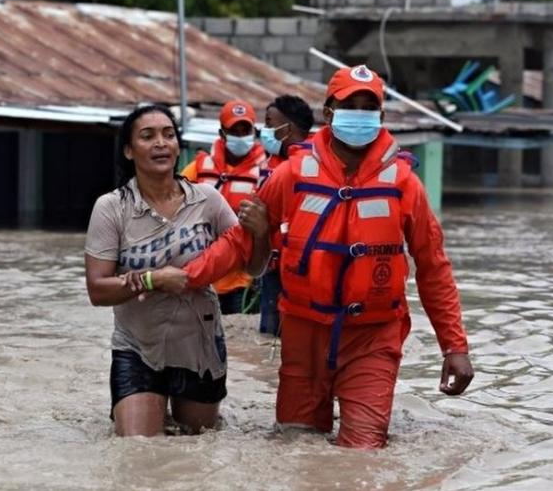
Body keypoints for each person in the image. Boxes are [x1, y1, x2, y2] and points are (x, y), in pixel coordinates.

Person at [153, 65, 474, 448]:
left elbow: (433, 267)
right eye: (349, 104)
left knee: (363, 453)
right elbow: (239, 242)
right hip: (303, 335)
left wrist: (454, 347)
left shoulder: (404, 183)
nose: (359, 112)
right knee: (295, 445)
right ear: (328, 113)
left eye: (367, 106)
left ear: (382, 117)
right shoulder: (292, 174)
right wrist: (180, 276)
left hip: (373, 336)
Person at [84, 104, 269, 437]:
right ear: (128, 150)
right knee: (138, 448)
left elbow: (254, 268)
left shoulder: (208, 200)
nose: (161, 143)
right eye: (148, 136)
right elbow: (97, 290)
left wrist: (262, 233)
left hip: (199, 347)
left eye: (168, 135)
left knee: (196, 448)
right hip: (138, 347)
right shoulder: (111, 208)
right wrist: (155, 279)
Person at [180, 100, 267, 314]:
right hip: (200, 274)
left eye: (244, 130)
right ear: (222, 132)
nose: (239, 135)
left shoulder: (266, 174)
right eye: (233, 130)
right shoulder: (198, 168)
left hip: (240, 279)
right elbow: (172, 204)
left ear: (254, 132)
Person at [257, 95, 315, 336]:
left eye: (270, 123)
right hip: (270, 266)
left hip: (305, 269)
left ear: (287, 128)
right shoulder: (269, 162)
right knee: (269, 336)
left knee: (300, 337)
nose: (265, 130)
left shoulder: (316, 165)